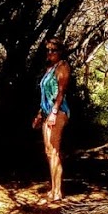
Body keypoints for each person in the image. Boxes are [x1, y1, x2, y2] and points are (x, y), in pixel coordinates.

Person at [33, 38, 71, 203]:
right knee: (49, 152)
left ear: (60, 51)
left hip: (58, 112)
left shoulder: (62, 67)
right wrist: (40, 114)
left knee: (54, 151)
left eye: (53, 50)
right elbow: (45, 96)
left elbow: (61, 92)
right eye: (48, 50)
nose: (50, 53)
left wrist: (54, 112)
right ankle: (53, 189)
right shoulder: (50, 69)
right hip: (47, 113)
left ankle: (58, 191)